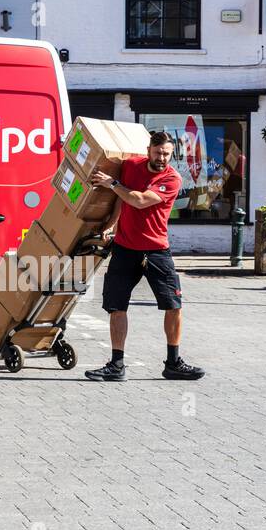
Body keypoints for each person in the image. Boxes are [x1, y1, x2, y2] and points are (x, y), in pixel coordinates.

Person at [84, 131, 205, 382]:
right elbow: (122, 200)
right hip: (125, 248)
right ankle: (116, 365)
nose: (162, 158)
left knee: (173, 306)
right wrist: (111, 224)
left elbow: (138, 200)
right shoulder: (131, 166)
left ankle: (173, 363)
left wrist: (112, 184)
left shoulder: (172, 178)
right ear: (148, 149)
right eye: (158, 152)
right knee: (116, 306)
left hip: (156, 250)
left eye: (167, 154)